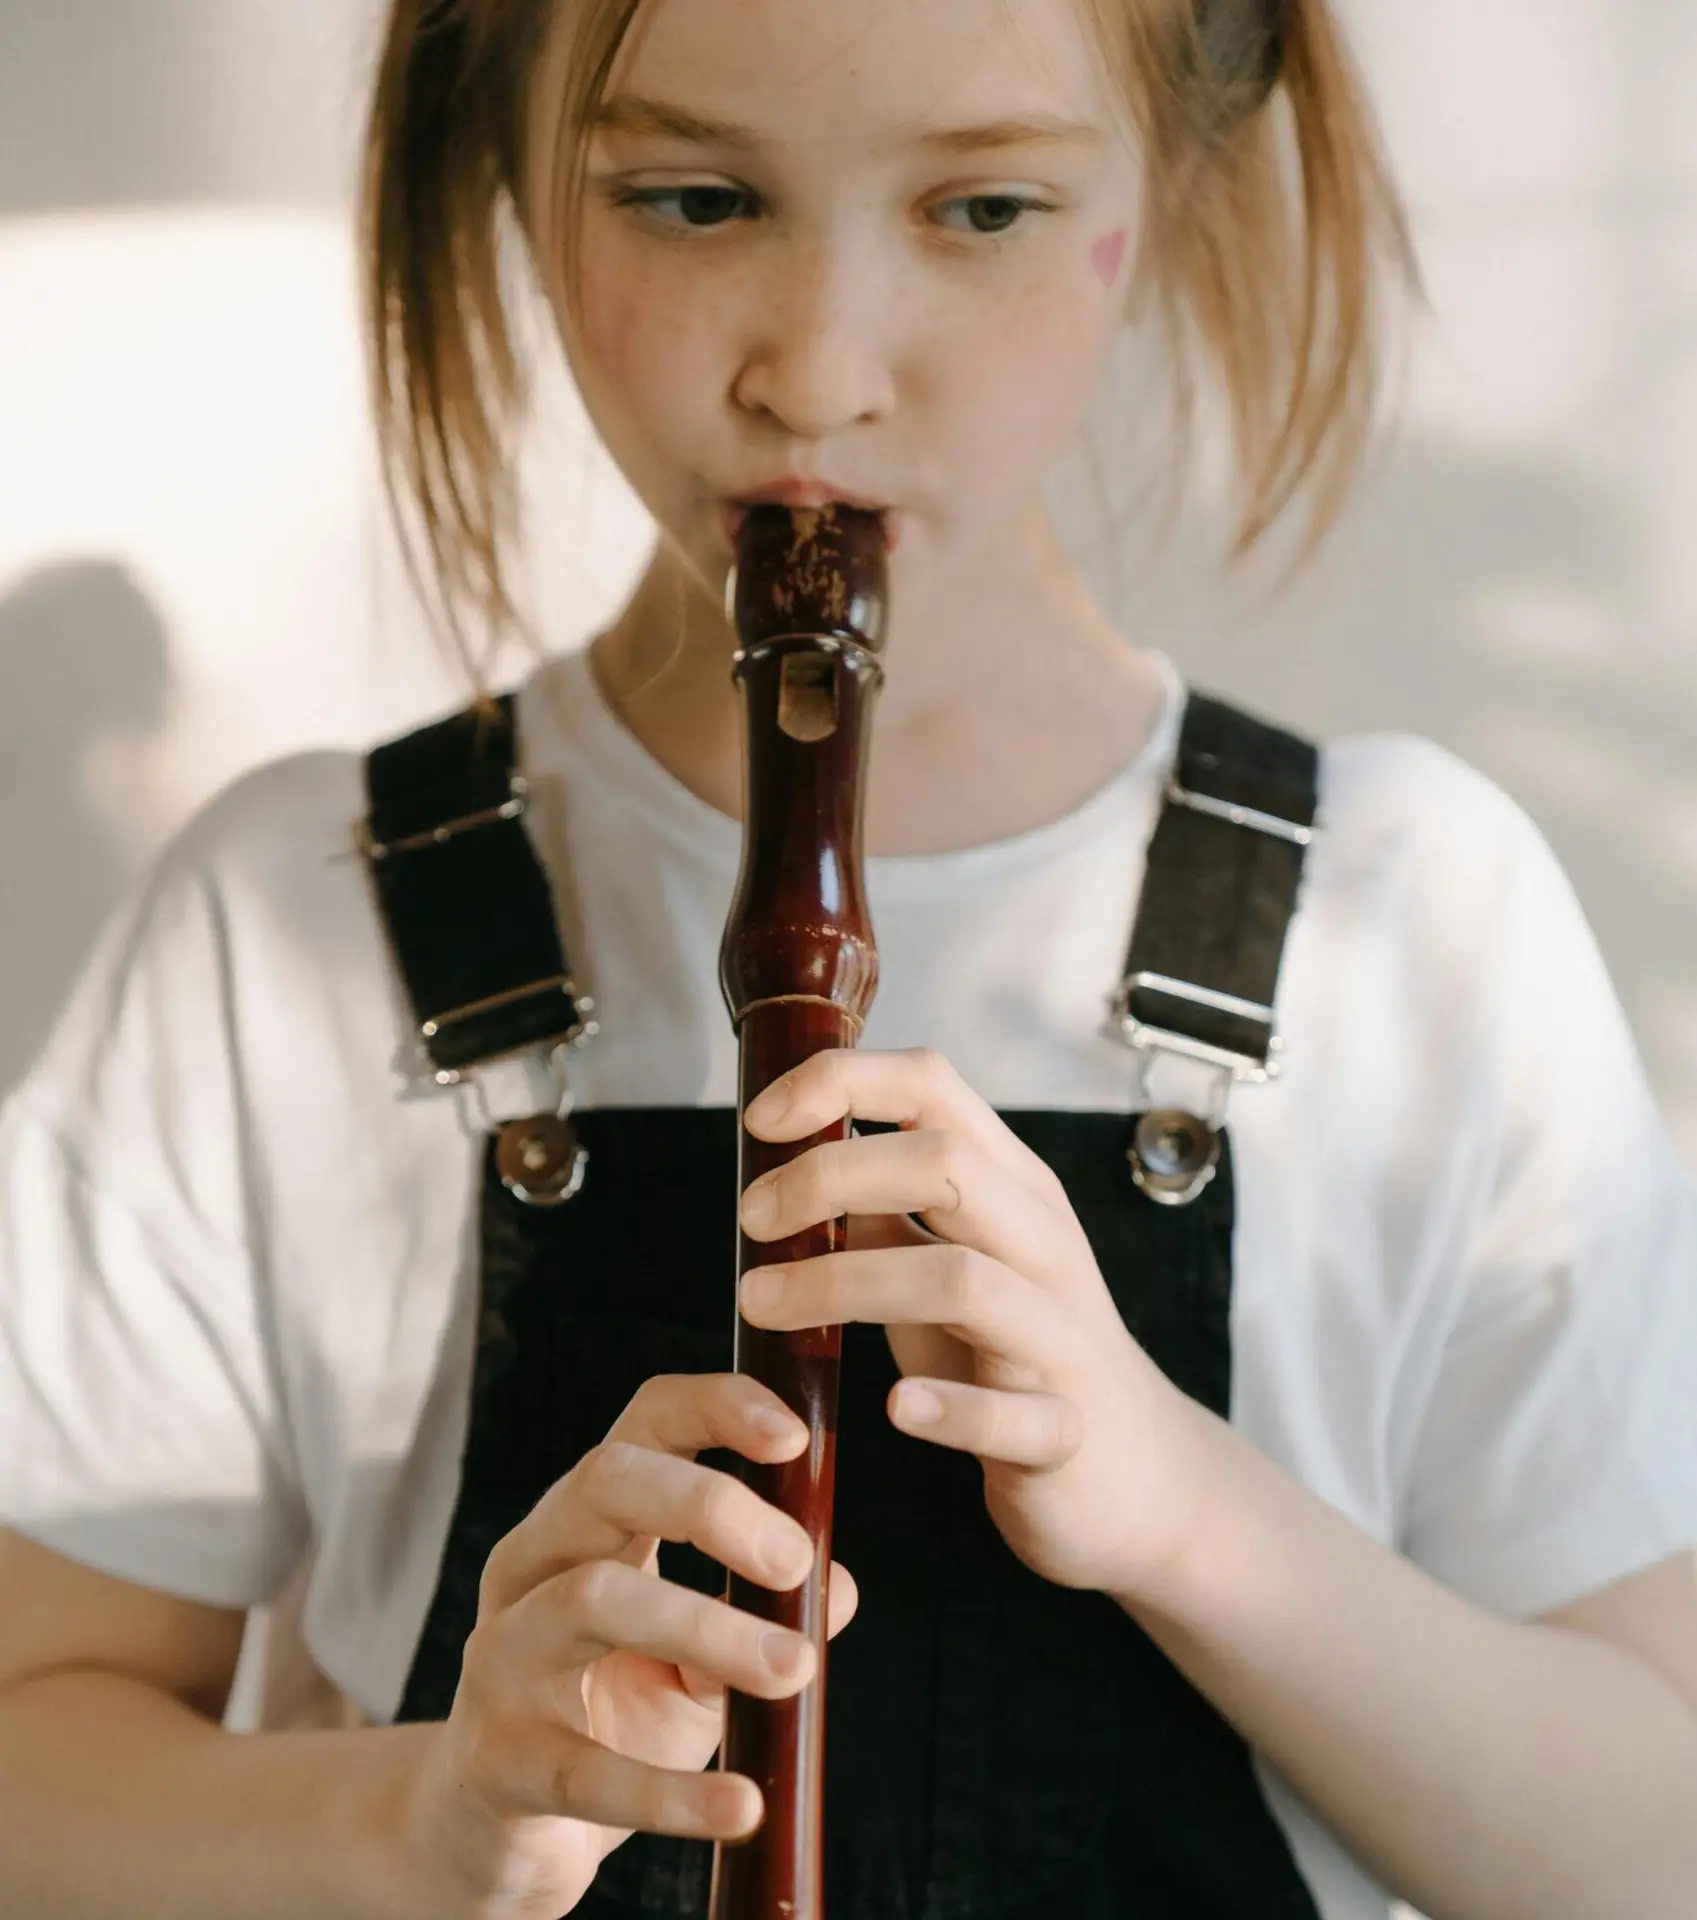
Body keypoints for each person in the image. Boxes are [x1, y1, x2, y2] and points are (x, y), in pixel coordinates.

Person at [1, 0, 1695, 1915]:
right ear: (504, 158)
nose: (815, 375)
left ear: (1172, 180)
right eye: (693, 196)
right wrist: (426, 1821)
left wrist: (1180, 1507)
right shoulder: (286, 915)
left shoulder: (1423, 919)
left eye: (981, 210)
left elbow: (1648, 1847)